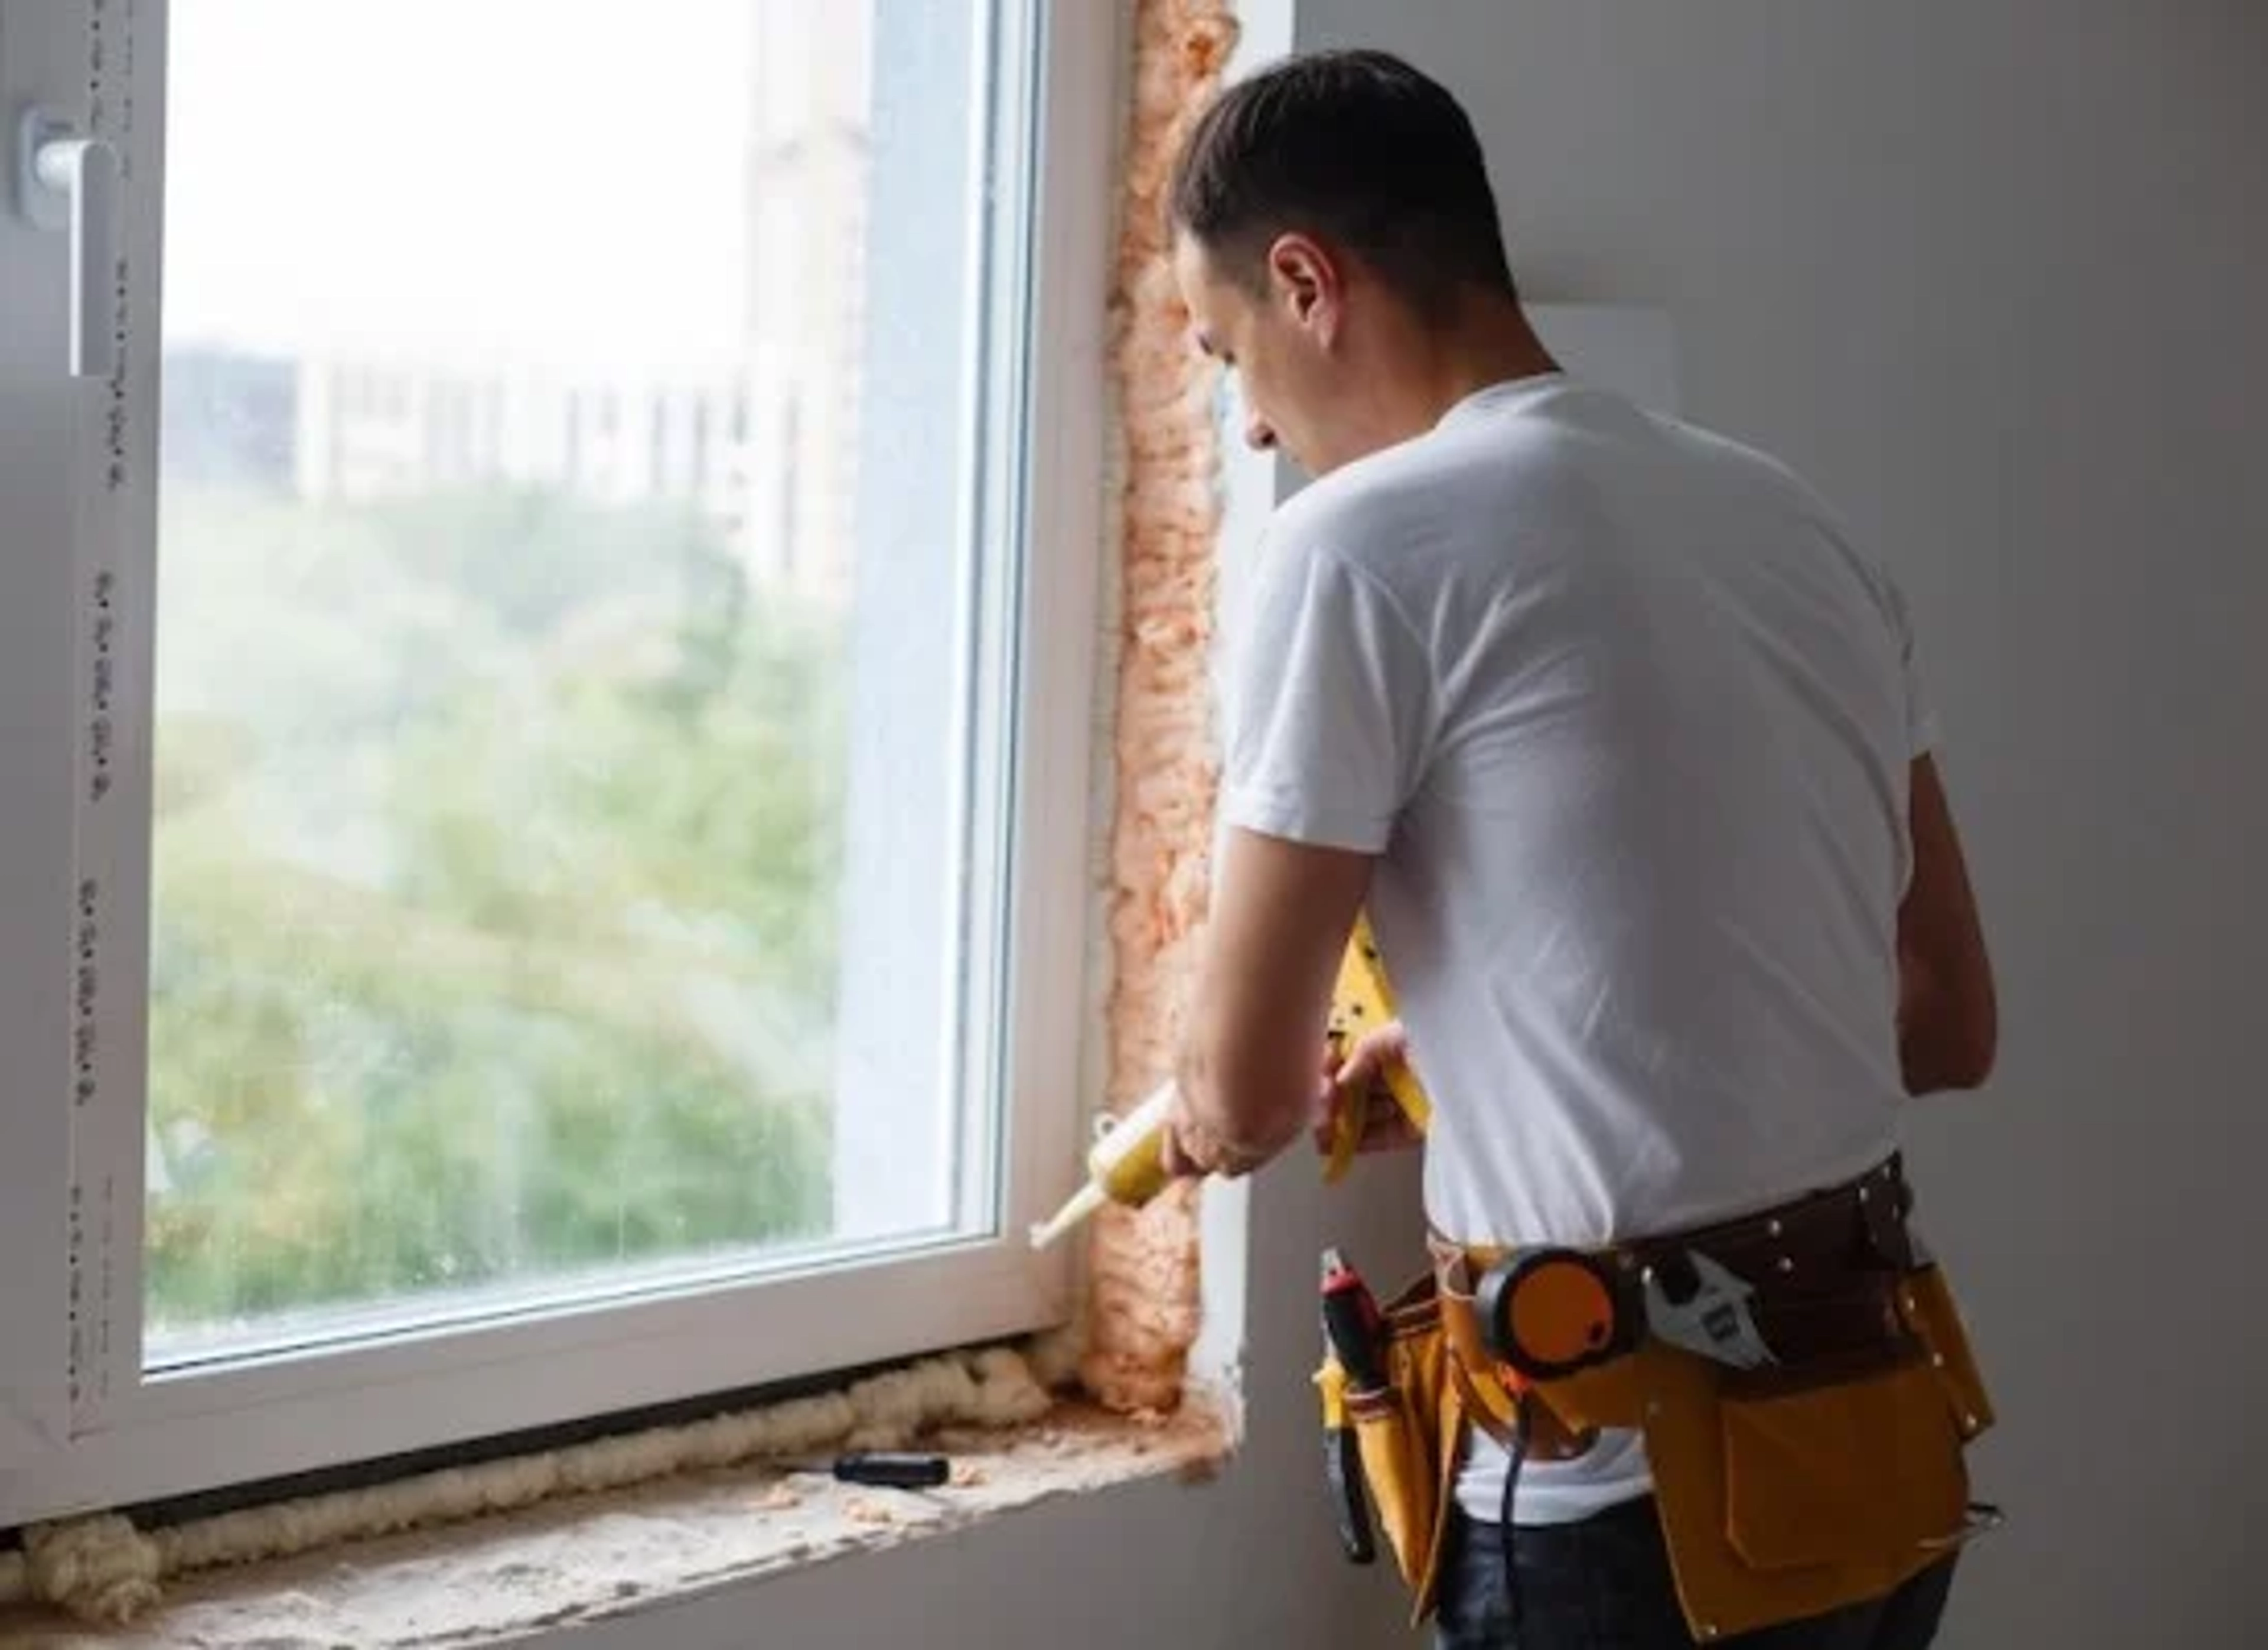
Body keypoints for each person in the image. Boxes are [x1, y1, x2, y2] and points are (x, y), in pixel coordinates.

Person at [1151, 47, 1997, 1650]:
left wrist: (1196, 1115)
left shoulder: (1357, 547)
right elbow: (1947, 1020)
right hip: (1880, 1463)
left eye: (1227, 355)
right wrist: (1513, 1046)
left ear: (1307, 283)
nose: (1249, 427)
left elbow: (1248, 1096)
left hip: (1625, 1521)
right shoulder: (1799, 524)